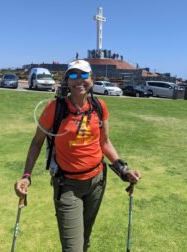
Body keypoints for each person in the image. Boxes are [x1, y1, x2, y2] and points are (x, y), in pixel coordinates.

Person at [14, 59, 141, 252]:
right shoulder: (54, 108)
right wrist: (26, 176)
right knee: (73, 247)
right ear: (67, 81)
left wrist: (124, 169)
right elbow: (36, 142)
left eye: (84, 75)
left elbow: (105, 143)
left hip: (97, 182)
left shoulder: (100, 106)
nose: (79, 80)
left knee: (85, 238)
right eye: (73, 75)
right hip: (68, 186)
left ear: (92, 79)